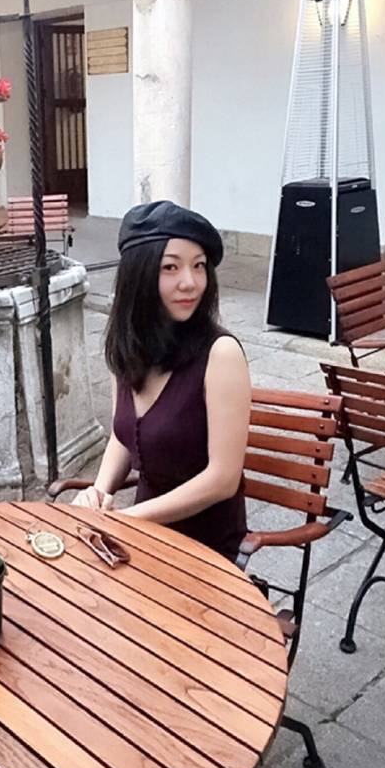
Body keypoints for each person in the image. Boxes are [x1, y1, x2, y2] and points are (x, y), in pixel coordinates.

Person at [73, 200, 251, 563]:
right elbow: (123, 436)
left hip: (204, 548)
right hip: (143, 534)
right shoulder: (128, 348)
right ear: (139, 275)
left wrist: (126, 519)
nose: (190, 282)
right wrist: (98, 492)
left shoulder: (221, 355)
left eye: (199, 266)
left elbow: (223, 479)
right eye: (171, 267)